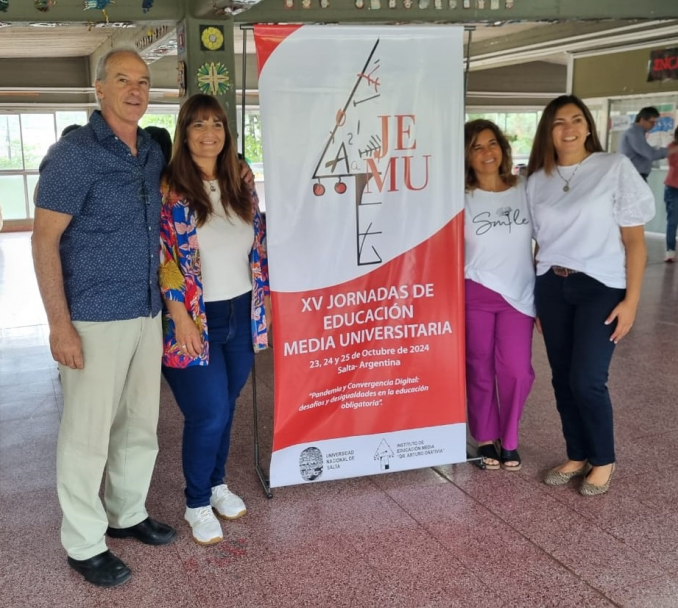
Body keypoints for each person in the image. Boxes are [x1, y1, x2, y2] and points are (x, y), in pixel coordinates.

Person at [31, 47, 175, 589]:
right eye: (123, 80)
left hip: (144, 310)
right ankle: (84, 542)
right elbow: (43, 241)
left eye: (142, 81)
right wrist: (59, 324)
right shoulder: (75, 154)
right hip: (92, 314)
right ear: (99, 88)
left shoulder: (151, 150)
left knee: (140, 424)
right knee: (87, 435)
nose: (135, 90)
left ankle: (127, 512)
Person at [526, 94, 655, 496]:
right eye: (559, 121)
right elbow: (537, 243)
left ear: (588, 126)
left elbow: (635, 241)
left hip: (600, 285)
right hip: (552, 284)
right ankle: (577, 454)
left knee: (587, 379)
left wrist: (631, 302)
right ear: (548, 130)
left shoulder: (612, 167)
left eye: (577, 119)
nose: (569, 128)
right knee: (562, 379)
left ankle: (603, 458)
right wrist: (537, 298)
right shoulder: (535, 180)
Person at [159, 94, 270, 546]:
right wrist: (180, 317)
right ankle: (197, 502)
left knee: (227, 408)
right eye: (199, 124)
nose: (210, 133)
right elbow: (165, 259)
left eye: (218, 124)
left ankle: (218, 483)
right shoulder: (171, 189)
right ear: (184, 133)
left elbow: (255, 247)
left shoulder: (241, 184)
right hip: (193, 319)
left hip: (241, 313)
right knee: (207, 413)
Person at [464, 120, 535, 472]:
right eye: (476, 147)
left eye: (492, 144)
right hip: (474, 290)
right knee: (479, 368)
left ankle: (509, 438)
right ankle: (486, 437)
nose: (486, 152)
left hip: (519, 294)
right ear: (467, 155)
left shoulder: (524, 188)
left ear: (503, 149)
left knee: (517, 371)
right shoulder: (460, 196)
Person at [619, 106, 672, 181]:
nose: (653, 125)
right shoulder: (635, 133)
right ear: (642, 120)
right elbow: (651, 154)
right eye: (652, 122)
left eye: (655, 123)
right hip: (634, 176)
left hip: (634, 175)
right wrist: (672, 150)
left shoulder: (636, 133)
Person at [663, 127, 678, 262]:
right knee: (673, 221)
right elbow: (674, 164)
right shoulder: (672, 147)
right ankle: (670, 251)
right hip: (673, 188)